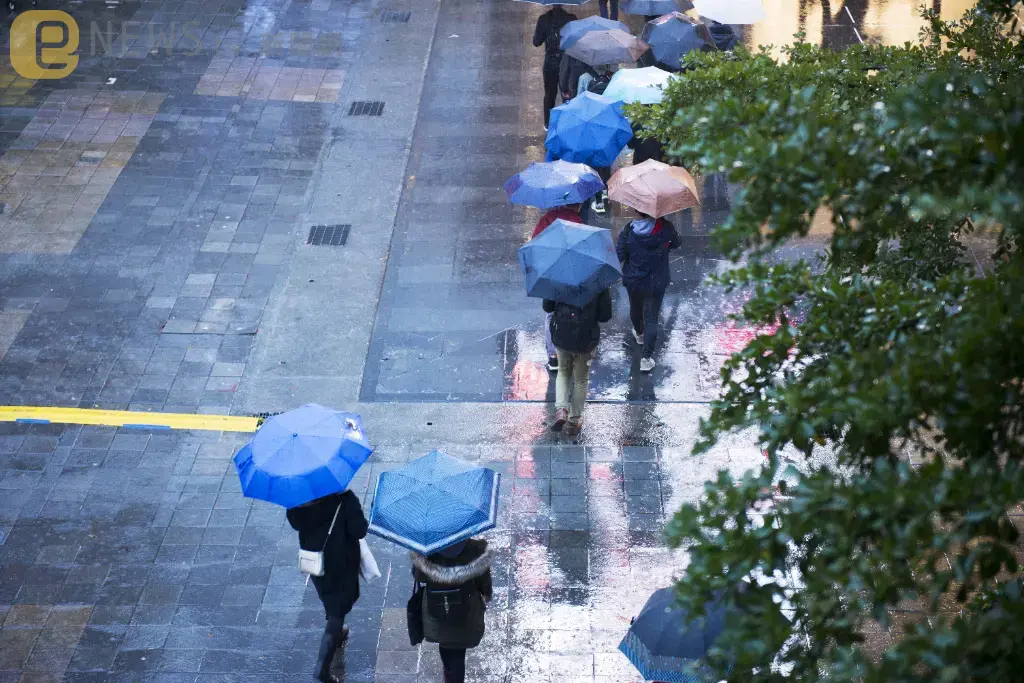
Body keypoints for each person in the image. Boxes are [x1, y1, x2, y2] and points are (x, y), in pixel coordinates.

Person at [287, 491, 369, 683]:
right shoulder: (345, 499)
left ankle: (337, 631)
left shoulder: (297, 498)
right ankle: (321, 670)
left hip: (316, 561)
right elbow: (360, 530)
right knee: (337, 610)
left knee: (330, 597)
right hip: (341, 563)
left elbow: (295, 523)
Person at [412, 539, 494, 683]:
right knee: (458, 651)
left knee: (446, 645)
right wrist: (487, 594)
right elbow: (484, 581)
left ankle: (449, 673)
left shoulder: (427, 550)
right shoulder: (476, 548)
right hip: (466, 609)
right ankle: (452, 675)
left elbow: (419, 576)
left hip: (437, 608)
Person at [616, 212, 681, 373]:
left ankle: (639, 333)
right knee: (652, 318)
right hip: (656, 281)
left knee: (635, 308)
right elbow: (677, 243)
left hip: (634, 280)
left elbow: (619, 255)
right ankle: (646, 358)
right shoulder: (666, 227)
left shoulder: (628, 230)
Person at [544, 288, 614, 435]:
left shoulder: (558, 274)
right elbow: (605, 316)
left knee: (563, 372)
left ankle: (561, 409)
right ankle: (573, 422)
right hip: (586, 338)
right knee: (581, 379)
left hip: (562, 334)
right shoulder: (598, 280)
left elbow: (548, 307)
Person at [532, 205, 584, 371]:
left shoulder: (546, 219)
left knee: (550, 314)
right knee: (571, 312)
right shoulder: (576, 222)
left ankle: (553, 356)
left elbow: (535, 244)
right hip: (569, 275)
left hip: (550, 274)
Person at [533, 5, 577, 130]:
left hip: (550, 62)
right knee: (567, 93)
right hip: (567, 62)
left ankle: (548, 123)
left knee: (549, 94)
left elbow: (536, 42)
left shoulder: (543, 19)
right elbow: (577, 40)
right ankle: (568, 122)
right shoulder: (571, 19)